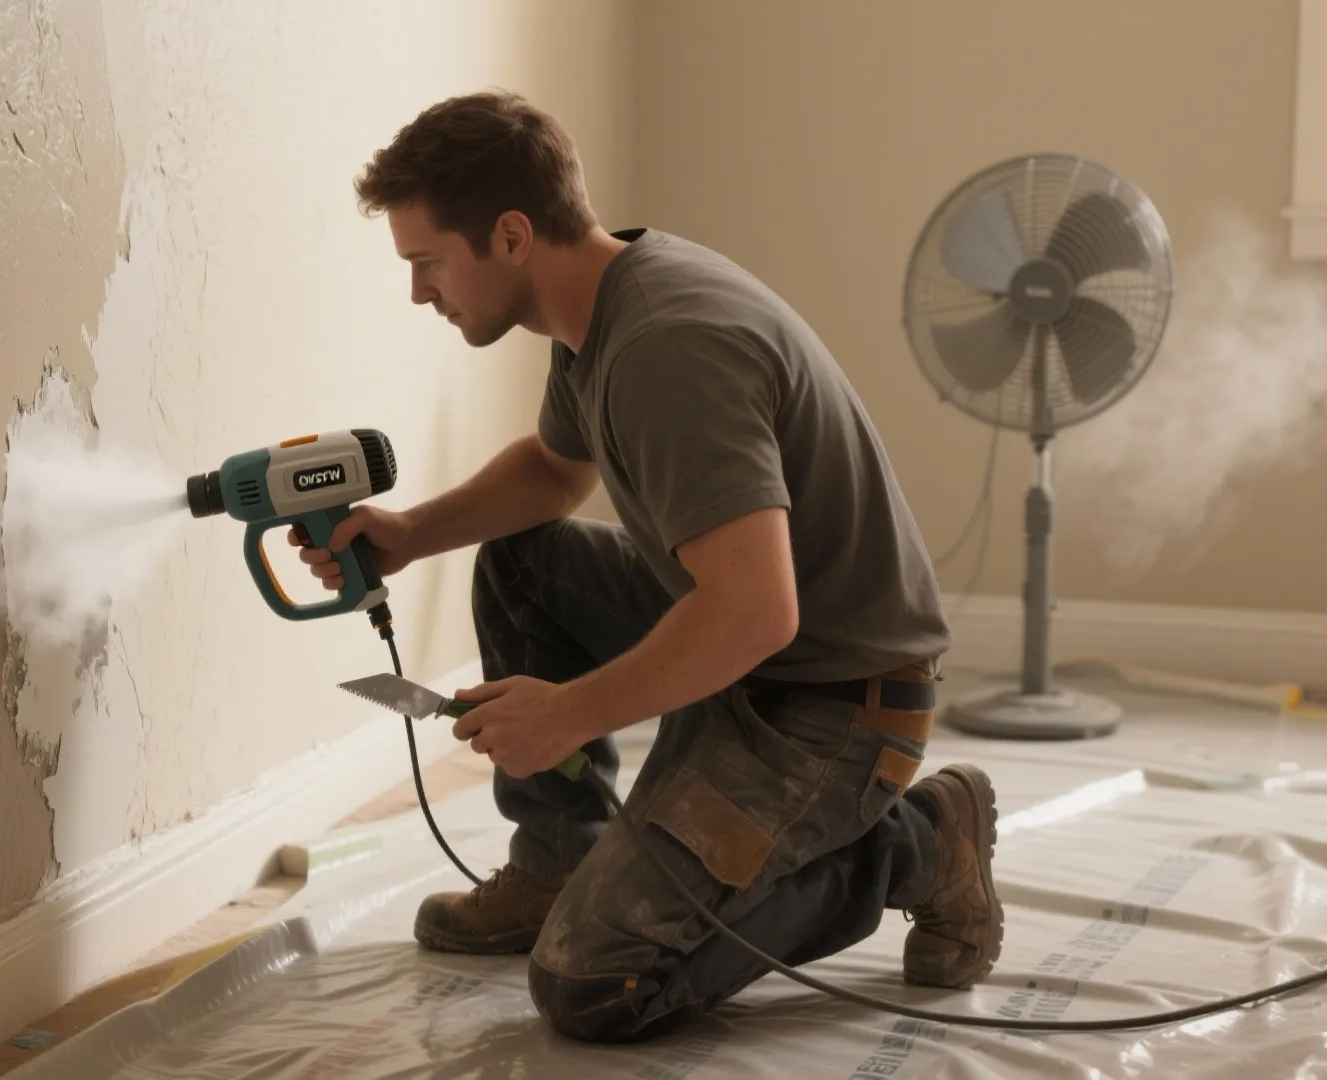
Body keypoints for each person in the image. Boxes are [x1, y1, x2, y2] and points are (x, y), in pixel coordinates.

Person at [291, 90, 1001, 1043]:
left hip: (834, 703)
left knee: (595, 984)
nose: (420, 292)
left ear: (510, 237)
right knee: (524, 563)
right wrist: (412, 532)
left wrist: (568, 714)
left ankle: (922, 843)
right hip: (749, 647)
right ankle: (556, 863)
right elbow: (555, 474)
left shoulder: (668, 346)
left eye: (427, 261)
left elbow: (757, 613)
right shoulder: (598, 303)